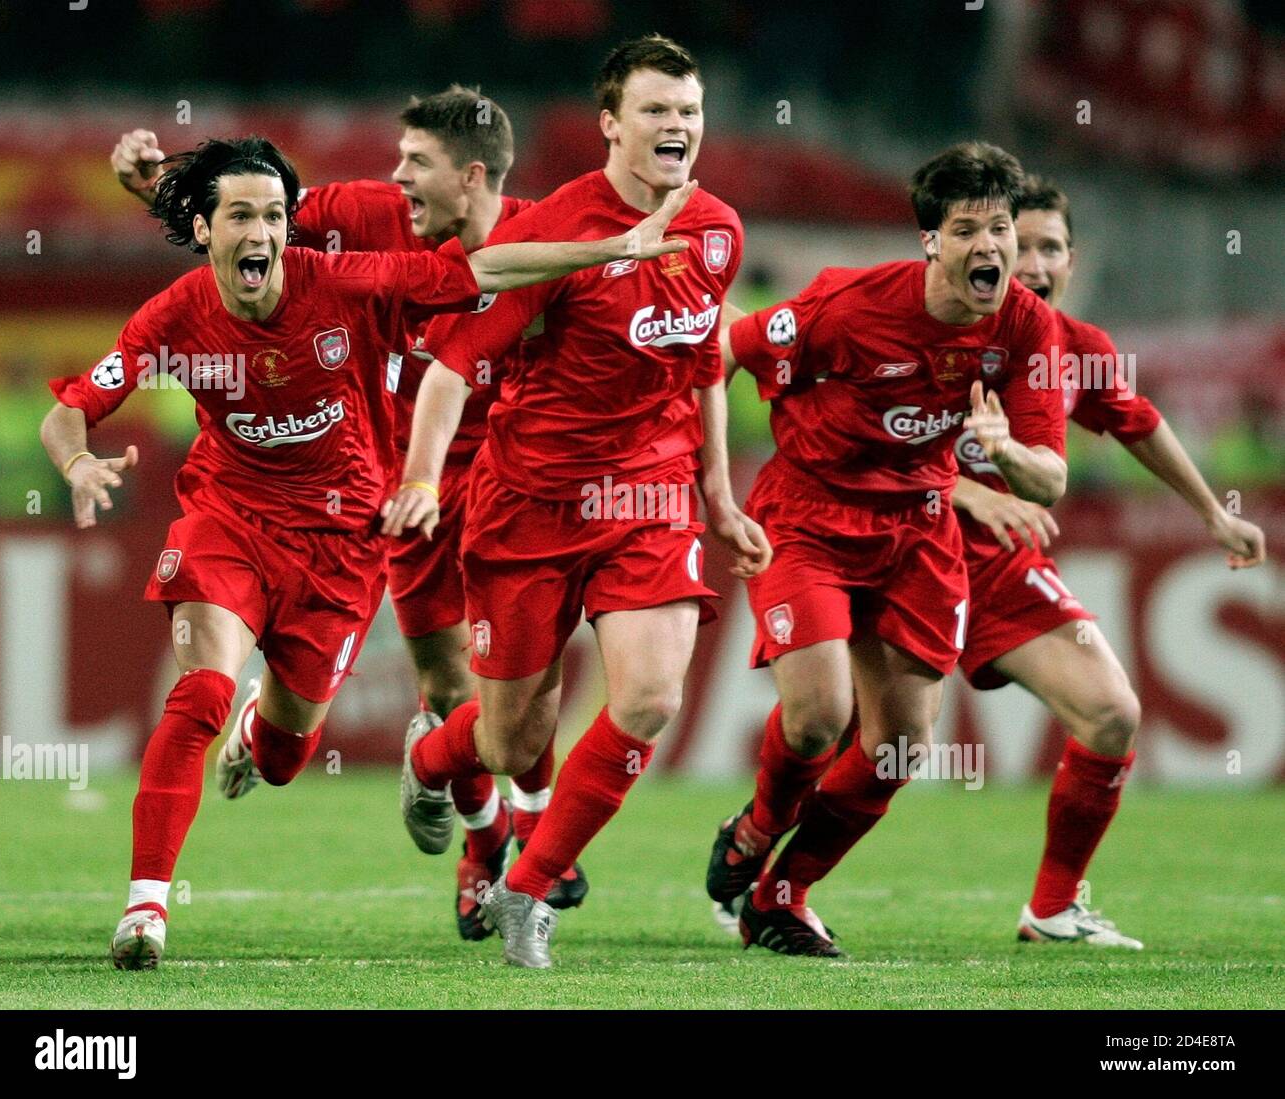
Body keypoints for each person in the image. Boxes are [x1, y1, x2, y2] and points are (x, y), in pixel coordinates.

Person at [43, 134, 694, 969]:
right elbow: (72, 407)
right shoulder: (174, 315)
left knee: (283, 759)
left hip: (343, 547)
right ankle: (145, 909)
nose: (263, 232)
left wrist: (619, 247)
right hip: (230, 520)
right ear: (204, 230)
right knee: (199, 691)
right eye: (241, 214)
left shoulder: (342, 281)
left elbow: (482, 272)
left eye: (276, 215)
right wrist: (77, 460)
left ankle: (264, 725)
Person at [110, 89, 589, 941]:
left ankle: (511, 825)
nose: (395, 177)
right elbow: (250, 216)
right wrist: (159, 188)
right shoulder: (361, 215)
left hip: (512, 480)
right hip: (403, 482)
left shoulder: (539, 236)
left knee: (522, 683)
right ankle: (485, 849)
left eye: (415, 165)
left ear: (470, 176)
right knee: (448, 687)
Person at [381, 34, 769, 968]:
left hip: (650, 494)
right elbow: (449, 372)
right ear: (609, 125)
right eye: (656, 111)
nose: (678, 126)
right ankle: (434, 759)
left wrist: (716, 488)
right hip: (532, 504)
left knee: (649, 696)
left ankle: (530, 887)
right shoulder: (550, 235)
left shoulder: (717, 228)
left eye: (690, 110)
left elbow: (705, 357)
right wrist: (426, 479)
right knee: (515, 737)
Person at [704, 142, 1067, 956]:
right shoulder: (848, 303)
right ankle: (759, 825)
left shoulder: (1029, 329)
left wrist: (1004, 454)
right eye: (967, 228)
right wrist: (711, 482)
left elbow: (1048, 480)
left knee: (900, 746)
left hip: (917, 531)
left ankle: (782, 896)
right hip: (809, 516)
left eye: (1001, 228)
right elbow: (726, 351)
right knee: (818, 719)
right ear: (930, 241)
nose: (991, 247)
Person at [949, 177, 1268, 948]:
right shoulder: (933, 331)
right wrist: (969, 489)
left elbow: (1139, 422)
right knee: (839, 729)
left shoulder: (1073, 349)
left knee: (1112, 711)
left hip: (998, 569)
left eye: (1049, 246)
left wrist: (1211, 512)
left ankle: (1052, 907)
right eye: (1016, 244)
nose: (1031, 261)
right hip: (899, 552)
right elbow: (860, 439)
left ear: (1071, 258)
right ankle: (757, 855)